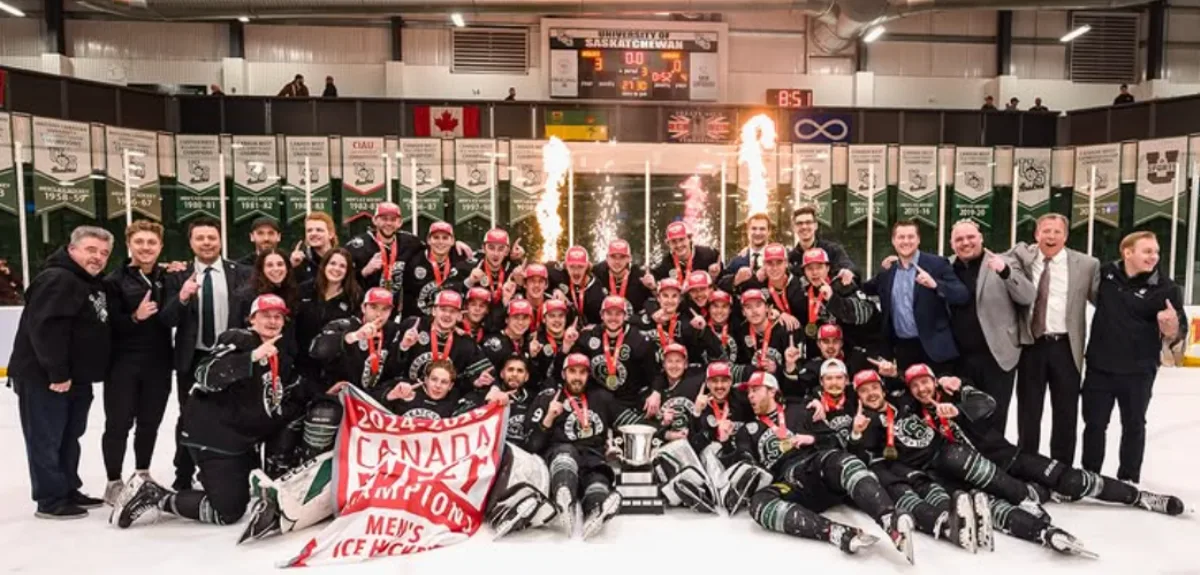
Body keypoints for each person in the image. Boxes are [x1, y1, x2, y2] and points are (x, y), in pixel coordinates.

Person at [113, 293, 300, 529]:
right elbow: (206, 375)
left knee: (247, 497)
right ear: (251, 319)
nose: (272, 321)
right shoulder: (239, 339)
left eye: (278, 317)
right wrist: (251, 358)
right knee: (228, 512)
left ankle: (212, 478)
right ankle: (155, 495)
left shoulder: (279, 354)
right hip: (213, 437)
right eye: (265, 316)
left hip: (238, 441)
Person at [723, 371, 913, 561]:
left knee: (843, 460)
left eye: (755, 390)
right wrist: (725, 442)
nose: (750, 396)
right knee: (759, 503)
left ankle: (890, 519)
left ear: (772, 391)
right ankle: (835, 532)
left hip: (818, 466)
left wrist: (811, 438)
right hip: (790, 482)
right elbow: (744, 459)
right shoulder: (746, 431)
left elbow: (835, 441)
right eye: (748, 392)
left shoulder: (801, 410)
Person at [10, 226, 114, 519]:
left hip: (75, 378)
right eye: (90, 250)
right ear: (72, 249)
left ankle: (68, 488)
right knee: (47, 437)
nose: (97, 257)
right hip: (46, 378)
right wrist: (57, 373)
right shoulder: (57, 279)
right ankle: (50, 499)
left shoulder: (88, 282)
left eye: (104, 253)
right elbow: (46, 330)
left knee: (70, 435)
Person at [1081, 231, 1187, 483]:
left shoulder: (1167, 288)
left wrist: (1169, 325)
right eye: (1147, 251)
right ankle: (1089, 477)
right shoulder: (1106, 274)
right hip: (1100, 367)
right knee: (1094, 425)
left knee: (1134, 425)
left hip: (1139, 371)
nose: (1154, 257)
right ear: (1127, 253)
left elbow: (1178, 335)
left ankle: (1128, 479)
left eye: (1156, 252)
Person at [160, 217, 252, 492]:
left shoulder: (242, 273)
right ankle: (183, 473)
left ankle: (236, 473)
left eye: (211, 237)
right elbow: (167, 318)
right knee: (189, 418)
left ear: (220, 239)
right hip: (194, 359)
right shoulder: (177, 276)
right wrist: (184, 296)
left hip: (230, 357)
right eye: (200, 238)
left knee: (235, 416)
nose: (207, 243)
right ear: (191, 242)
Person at [1007, 213, 1098, 464]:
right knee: (1028, 411)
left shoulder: (1087, 265)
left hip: (1066, 347)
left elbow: (1104, 301)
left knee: (1066, 412)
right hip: (1031, 346)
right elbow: (989, 260)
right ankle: (1028, 464)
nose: (1051, 236)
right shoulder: (1022, 258)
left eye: (1057, 232)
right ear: (1036, 235)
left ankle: (1062, 470)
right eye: (1046, 231)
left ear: (1066, 236)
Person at [101, 221, 174, 504]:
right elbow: (107, 324)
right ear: (129, 244)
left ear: (160, 247)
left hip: (158, 363)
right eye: (140, 242)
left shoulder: (166, 277)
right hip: (123, 363)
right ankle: (113, 481)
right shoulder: (113, 281)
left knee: (149, 423)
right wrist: (134, 317)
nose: (146, 247)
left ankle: (142, 473)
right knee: (118, 424)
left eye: (151, 243)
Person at [947, 220, 1035, 434]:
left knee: (995, 419)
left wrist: (1005, 272)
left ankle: (996, 464)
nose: (965, 243)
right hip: (960, 359)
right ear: (951, 244)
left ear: (981, 238)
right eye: (959, 239)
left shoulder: (1003, 262)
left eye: (970, 237)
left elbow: (1027, 296)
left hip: (997, 357)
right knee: (964, 419)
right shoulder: (946, 266)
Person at [525, 353, 623, 539]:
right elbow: (532, 445)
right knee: (566, 455)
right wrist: (548, 418)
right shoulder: (547, 398)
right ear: (563, 374)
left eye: (582, 372)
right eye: (572, 371)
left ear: (588, 375)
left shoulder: (602, 397)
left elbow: (627, 420)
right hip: (561, 452)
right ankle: (564, 500)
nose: (577, 377)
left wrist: (664, 425)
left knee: (598, 476)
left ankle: (596, 510)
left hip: (592, 456)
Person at [865, 220, 969, 374]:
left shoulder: (937, 264)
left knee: (940, 396)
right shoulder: (887, 272)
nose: (906, 241)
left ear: (918, 239)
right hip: (903, 350)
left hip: (936, 351)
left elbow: (962, 295)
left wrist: (936, 285)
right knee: (908, 396)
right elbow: (865, 288)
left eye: (910, 237)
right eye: (901, 237)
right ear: (893, 241)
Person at [787, 205, 855, 281]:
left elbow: (849, 267)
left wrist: (848, 271)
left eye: (808, 222)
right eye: (799, 223)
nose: (804, 227)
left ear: (816, 225)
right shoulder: (791, 258)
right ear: (794, 228)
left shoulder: (832, 250)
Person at [288, 212, 338, 284]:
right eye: (309, 230)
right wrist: (292, 267)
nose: (313, 233)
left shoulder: (342, 260)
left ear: (331, 234)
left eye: (319, 230)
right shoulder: (300, 261)